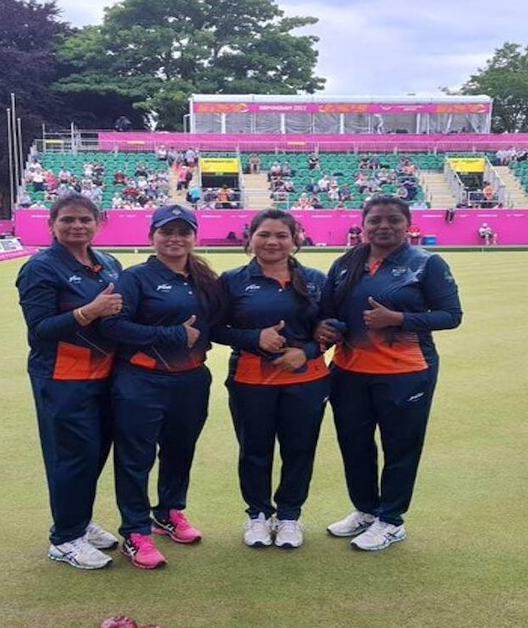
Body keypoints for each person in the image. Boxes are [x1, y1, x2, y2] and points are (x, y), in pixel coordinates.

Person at [314, 195, 463, 551]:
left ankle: (391, 520)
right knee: (355, 445)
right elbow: (328, 311)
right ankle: (366, 510)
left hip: (406, 372)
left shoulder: (426, 263)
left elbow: (451, 315)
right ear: (363, 224)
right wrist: (325, 326)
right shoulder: (346, 262)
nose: (384, 226)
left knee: (400, 447)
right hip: (349, 371)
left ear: (407, 223)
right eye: (375, 220)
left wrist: (399, 319)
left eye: (393, 220)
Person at [99, 204, 224, 570]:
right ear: (151, 235)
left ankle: (168, 513)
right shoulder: (136, 278)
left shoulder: (204, 278)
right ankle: (136, 531)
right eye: (166, 231)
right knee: (136, 458)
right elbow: (112, 327)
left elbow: (217, 327)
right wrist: (171, 334)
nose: (175, 238)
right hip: (142, 380)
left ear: (194, 237)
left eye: (183, 232)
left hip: (191, 380)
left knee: (179, 451)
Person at [16, 194, 125, 570]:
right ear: (52, 225)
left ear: (97, 224)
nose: (77, 226)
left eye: (85, 220)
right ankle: (64, 539)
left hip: (106, 375)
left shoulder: (108, 263)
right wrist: (87, 312)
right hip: (63, 378)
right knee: (71, 457)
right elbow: (40, 330)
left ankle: (78, 521)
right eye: (67, 220)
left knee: (94, 453)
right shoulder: (41, 268)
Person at [212, 210, 330, 549]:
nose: (273, 242)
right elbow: (214, 328)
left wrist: (306, 351)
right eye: (264, 234)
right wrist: (254, 338)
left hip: (306, 380)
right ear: (251, 238)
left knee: (299, 450)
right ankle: (258, 515)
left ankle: (290, 516)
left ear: (295, 239)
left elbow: (335, 325)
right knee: (254, 451)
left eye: (282, 235)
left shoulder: (316, 279)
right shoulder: (232, 280)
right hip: (251, 380)